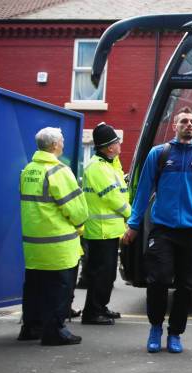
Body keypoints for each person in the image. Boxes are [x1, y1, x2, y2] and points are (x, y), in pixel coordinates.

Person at [122, 107, 192, 353]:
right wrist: (133, 224)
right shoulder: (159, 154)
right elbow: (143, 191)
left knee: (187, 286)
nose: (188, 124)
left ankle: (175, 333)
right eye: (183, 121)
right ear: (175, 126)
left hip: (191, 232)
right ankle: (155, 328)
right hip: (163, 230)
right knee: (157, 280)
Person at [18, 127, 88, 345]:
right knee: (60, 288)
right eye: (62, 140)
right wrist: (80, 225)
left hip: (33, 244)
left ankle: (31, 327)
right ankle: (54, 332)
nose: (64, 144)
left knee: (34, 287)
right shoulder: (59, 171)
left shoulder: (28, 170)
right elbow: (77, 209)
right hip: (58, 244)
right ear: (55, 145)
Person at [80, 123, 130, 325]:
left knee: (107, 273)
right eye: (117, 142)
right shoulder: (97, 168)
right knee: (101, 273)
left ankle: (100, 307)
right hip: (100, 231)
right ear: (109, 147)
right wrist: (132, 216)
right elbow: (113, 198)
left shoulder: (107, 164)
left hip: (108, 231)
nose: (120, 145)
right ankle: (92, 313)